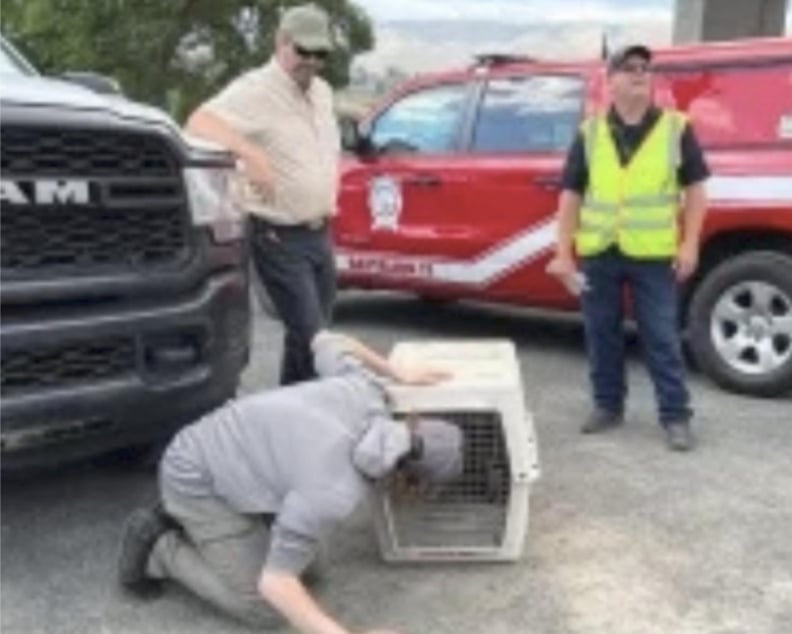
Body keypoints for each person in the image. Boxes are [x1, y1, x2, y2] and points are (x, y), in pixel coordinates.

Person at [117, 331, 464, 634]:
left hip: (227, 444)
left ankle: (242, 524)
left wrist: (392, 370)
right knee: (267, 608)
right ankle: (160, 548)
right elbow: (275, 583)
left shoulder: (367, 390)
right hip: (195, 476)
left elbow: (325, 340)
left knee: (314, 569)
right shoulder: (333, 492)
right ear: (408, 480)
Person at [546, 44, 710, 451]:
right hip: (599, 252)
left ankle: (675, 415)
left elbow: (696, 191)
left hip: (652, 255)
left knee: (661, 336)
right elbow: (571, 195)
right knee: (602, 333)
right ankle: (607, 406)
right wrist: (563, 254)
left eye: (645, 68)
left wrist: (690, 244)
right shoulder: (591, 132)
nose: (639, 74)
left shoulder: (676, 127)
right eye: (629, 68)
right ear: (610, 80)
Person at [186, 4, 341, 385]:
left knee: (311, 338)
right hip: (279, 235)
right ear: (281, 41)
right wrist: (249, 152)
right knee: (313, 337)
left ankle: (295, 415)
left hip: (319, 233)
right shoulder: (257, 89)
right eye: (302, 51)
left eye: (320, 53)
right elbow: (198, 122)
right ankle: (299, 420)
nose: (311, 61)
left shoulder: (322, 91)